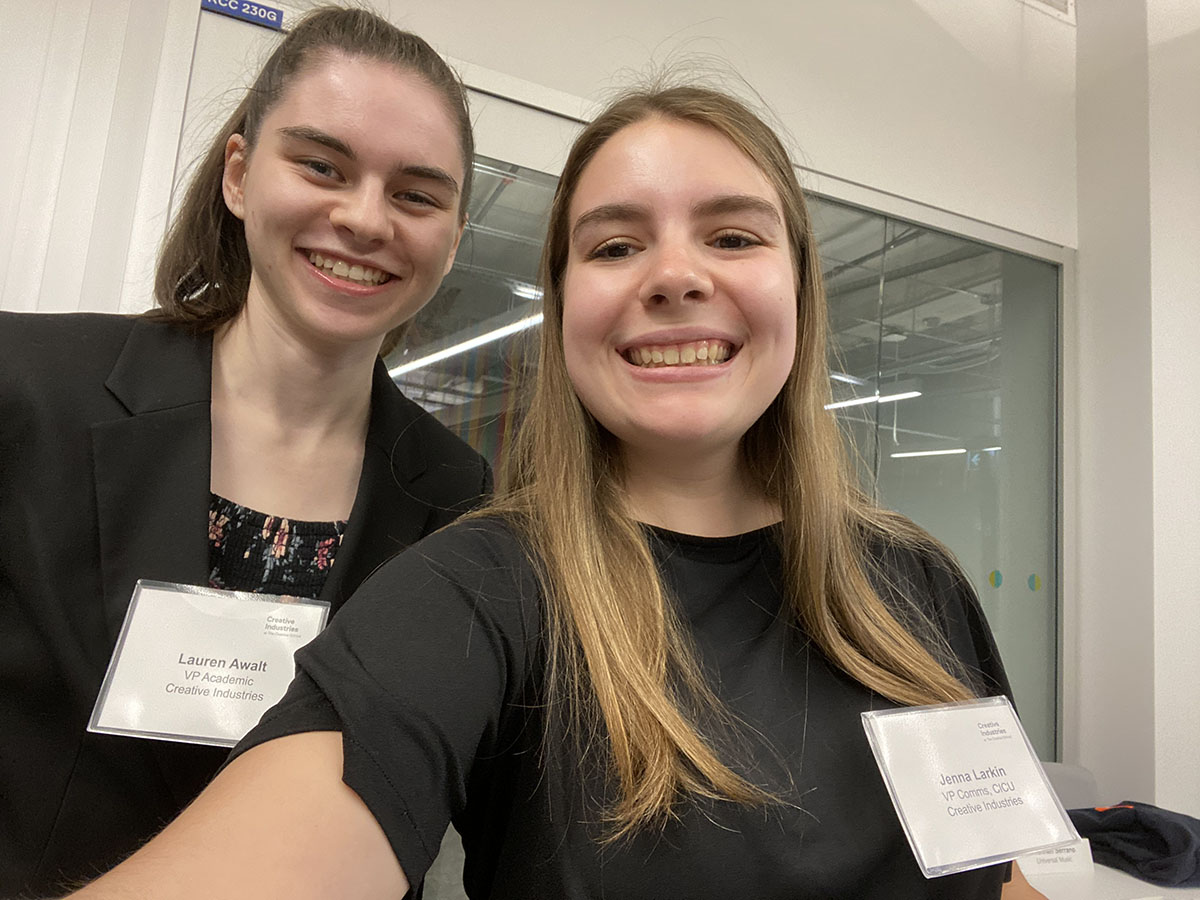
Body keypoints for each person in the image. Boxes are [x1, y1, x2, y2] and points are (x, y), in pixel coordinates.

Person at [61, 85, 1041, 899]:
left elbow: (998, 874)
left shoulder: (917, 585)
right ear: (567, 307)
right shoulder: (478, 591)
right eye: (614, 247)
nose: (673, 275)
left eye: (733, 236)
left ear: (800, 286)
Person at [0, 8, 491, 896]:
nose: (364, 217)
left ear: (453, 238)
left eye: (417, 195)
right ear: (238, 174)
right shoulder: (26, 389)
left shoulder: (463, 501)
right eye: (320, 165)